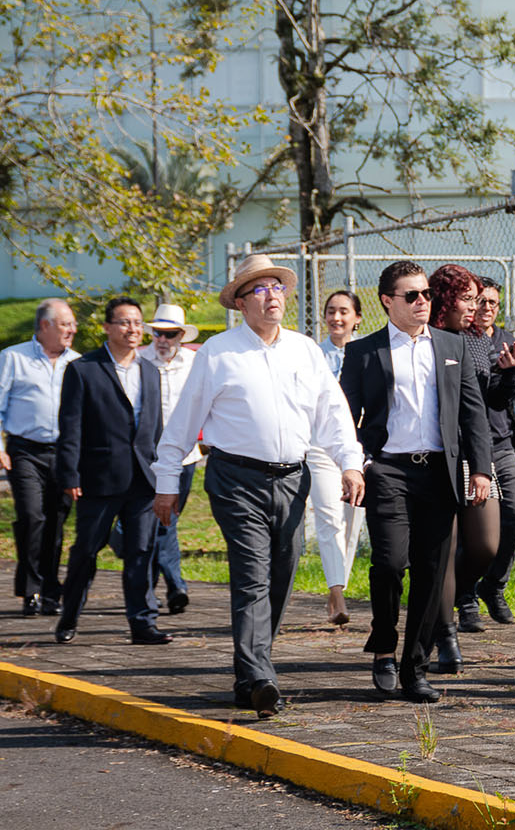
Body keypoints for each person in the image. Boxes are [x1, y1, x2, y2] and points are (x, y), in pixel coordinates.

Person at [151, 255, 364, 717]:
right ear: (242, 302)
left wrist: (350, 463)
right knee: (252, 576)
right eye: (261, 289)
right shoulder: (217, 352)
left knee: (281, 576)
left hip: (292, 478)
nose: (272, 295)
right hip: (236, 479)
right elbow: (183, 423)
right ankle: (262, 677)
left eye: (278, 287)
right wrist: (167, 481)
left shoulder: (304, 350)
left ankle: (248, 674)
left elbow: (332, 412)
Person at [339, 261, 494, 704]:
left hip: (439, 475)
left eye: (426, 293)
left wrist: (480, 469)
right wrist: (353, 464)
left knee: (431, 573)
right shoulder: (363, 353)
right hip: (387, 471)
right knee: (389, 563)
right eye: (412, 295)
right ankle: (383, 643)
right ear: (388, 301)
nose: (423, 301)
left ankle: (415, 669)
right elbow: (345, 417)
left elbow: (472, 413)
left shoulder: (452, 345)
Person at [54, 297, 171, 647]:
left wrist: (164, 473)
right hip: (99, 478)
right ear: (107, 327)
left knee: (140, 552)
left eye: (137, 323)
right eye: (124, 322)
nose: (133, 329)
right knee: (86, 551)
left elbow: (156, 428)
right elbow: (70, 427)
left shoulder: (150, 370)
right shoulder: (84, 369)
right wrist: (69, 476)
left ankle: (142, 623)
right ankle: (69, 614)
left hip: (143, 479)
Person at [426, 263, 515, 660]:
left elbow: (484, 405)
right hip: (432, 456)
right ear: (445, 299)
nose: (475, 307)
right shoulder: (424, 339)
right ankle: (443, 632)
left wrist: (509, 376)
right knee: (442, 548)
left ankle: (450, 596)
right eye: (467, 298)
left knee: (485, 543)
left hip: (476, 453)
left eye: (479, 299)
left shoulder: (478, 342)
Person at [0, 298, 80, 617]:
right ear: (45, 326)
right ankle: (31, 590)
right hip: (24, 451)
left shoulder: (78, 363)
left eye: (73, 324)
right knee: (31, 517)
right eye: (65, 324)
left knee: (56, 522)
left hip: (65, 453)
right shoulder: (13, 357)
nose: (72, 329)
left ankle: (52, 588)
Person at [112, 303, 200, 616]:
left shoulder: (194, 362)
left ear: (181, 336)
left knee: (163, 520)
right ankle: (175, 586)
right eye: (158, 333)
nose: (162, 340)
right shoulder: (139, 361)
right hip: (147, 457)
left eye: (170, 334)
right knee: (164, 520)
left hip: (185, 456)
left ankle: (147, 589)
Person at [463, 275, 515, 626]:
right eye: (480, 301)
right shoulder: (460, 340)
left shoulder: (508, 342)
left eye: (492, 302)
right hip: (468, 449)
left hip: (503, 444)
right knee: (475, 529)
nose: (486, 308)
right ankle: (465, 599)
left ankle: (493, 585)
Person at [312, 288, 366, 624]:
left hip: (359, 448)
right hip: (319, 446)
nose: (336, 317)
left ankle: (338, 585)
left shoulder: (367, 355)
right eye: (331, 311)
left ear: (357, 318)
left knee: (351, 521)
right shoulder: (312, 356)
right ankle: (337, 594)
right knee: (329, 515)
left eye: (344, 311)